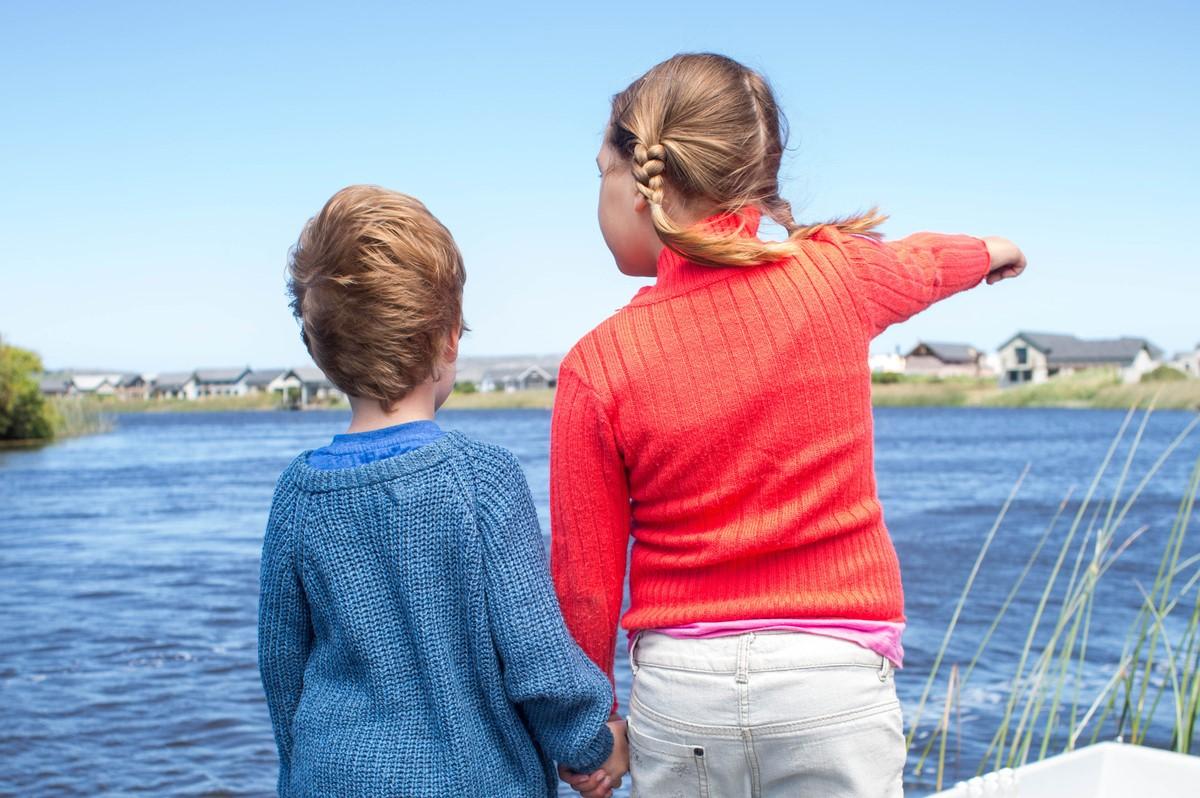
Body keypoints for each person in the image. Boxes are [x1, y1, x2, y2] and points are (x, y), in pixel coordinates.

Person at [553, 54, 1025, 798]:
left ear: (642, 187)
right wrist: (993, 252)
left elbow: (585, 580)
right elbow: (923, 263)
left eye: (599, 172)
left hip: (684, 693)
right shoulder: (836, 276)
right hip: (831, 679)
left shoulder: (596, 364)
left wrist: (593, 728)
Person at [258, 185, 628, 797]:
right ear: (448, 338)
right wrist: (592, 744)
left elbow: (282, 672)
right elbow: (537, 660)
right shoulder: (481, 481)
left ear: (321, 353)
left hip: (331, 777)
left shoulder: (298, 495)